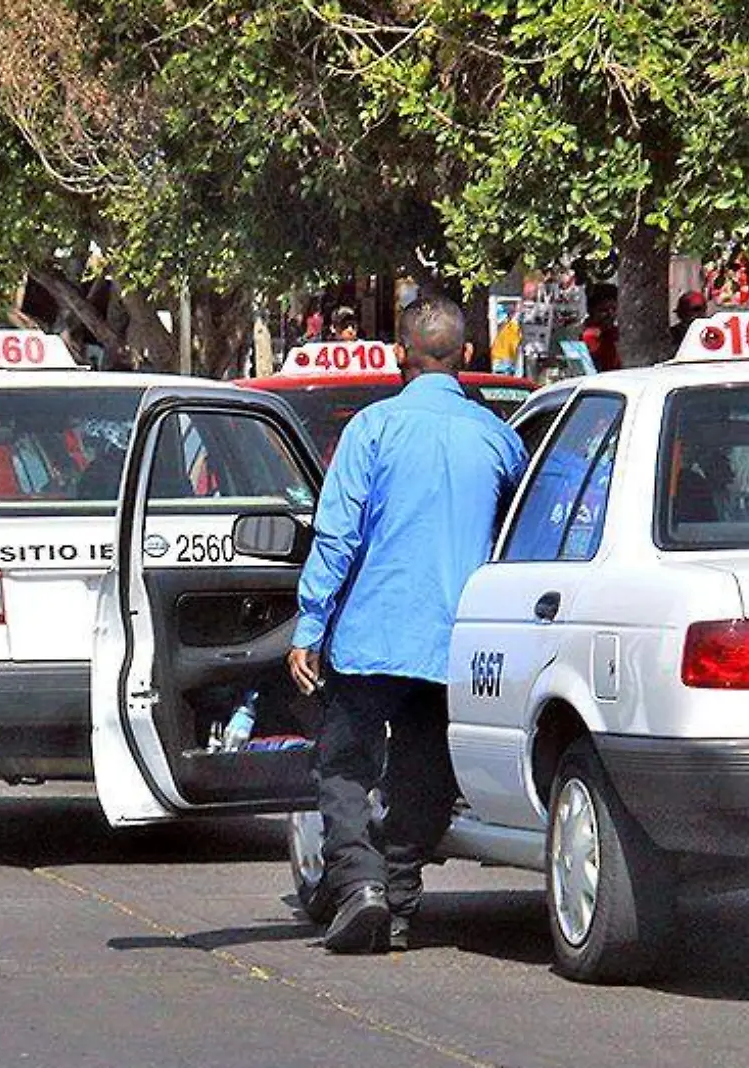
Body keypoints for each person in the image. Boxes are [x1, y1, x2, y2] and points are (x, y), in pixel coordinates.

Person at [287, 295, 528, 954]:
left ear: (399, 355)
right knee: (425, 776)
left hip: (371, 635)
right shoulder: (499, 440)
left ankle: (361, 886)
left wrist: (310, 621)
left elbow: (337, 534)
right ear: (468, 356)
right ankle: (394, 899)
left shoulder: (373, 429)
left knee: (341, 767)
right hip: (457, 643)